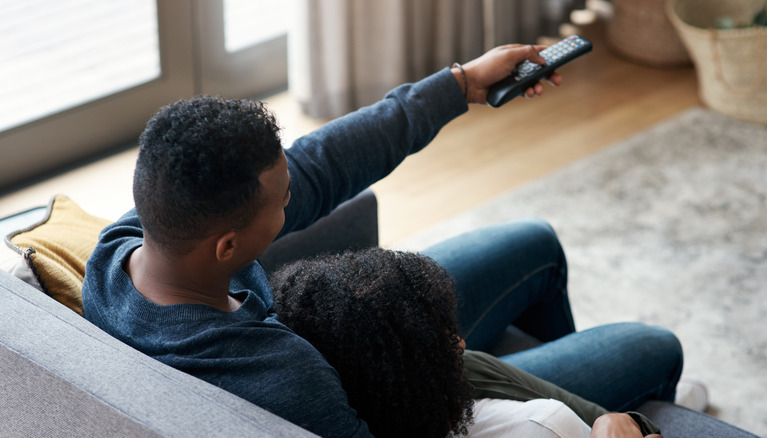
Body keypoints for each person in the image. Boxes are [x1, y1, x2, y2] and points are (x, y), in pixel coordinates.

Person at [82, 43, 682, 437]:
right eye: (281, 202)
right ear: (227, 246)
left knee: (536, 242)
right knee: (655, 348)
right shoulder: (284, 380)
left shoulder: (122, 247)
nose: (296, 200)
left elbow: (322, 163)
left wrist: (461, 84)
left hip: (355, 334)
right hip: (394, 383)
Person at [271, 247, 662, 438]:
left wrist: (614, 421)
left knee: (536, 242)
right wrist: (626, 423)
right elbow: (595, 418)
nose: (458, 341)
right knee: (658, 348)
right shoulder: (540, 421)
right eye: (439, 341)